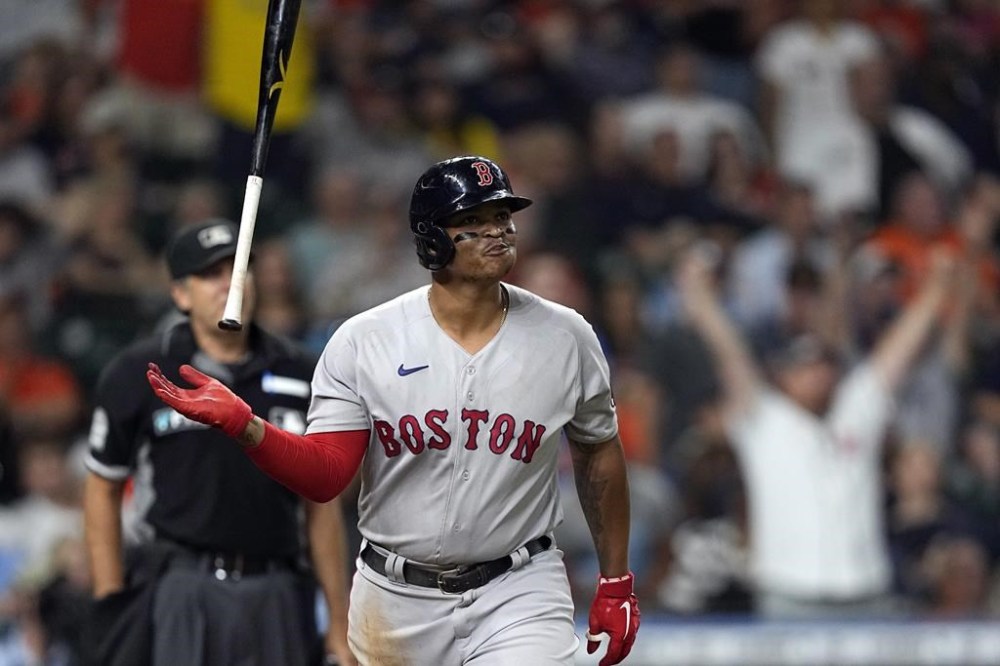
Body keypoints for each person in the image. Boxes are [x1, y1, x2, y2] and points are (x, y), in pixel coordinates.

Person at [146, 156, 641, 665]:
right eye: (472, 221)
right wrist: (246, 426)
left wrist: (615, 580)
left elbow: (597, 450)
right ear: (431, 239)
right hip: (395, 600)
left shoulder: (567, 336)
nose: (496, 230)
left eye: (501, 216)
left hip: (518, 587)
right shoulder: (366, 341)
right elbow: (327, 475)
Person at [83, 219, 356, 666]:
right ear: (180, 294)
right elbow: (102, 485)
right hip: (182, 587)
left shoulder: (304, 370)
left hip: (279, 587)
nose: (230, 285)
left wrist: (339, 628)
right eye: (211, 274)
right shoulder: (141, 371)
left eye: (240, 269)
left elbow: (320, 503)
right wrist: (111, 598)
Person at [676, 244, 953, 619]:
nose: (818, 375)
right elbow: (729, 353)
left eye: (824, 366)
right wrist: (701, 298)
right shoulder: (764, 419)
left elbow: (897, 353)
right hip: (788, 594)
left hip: (865, 590)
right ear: (784, 377)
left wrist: (935, 290)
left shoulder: (856, 410)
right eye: (805, 368)